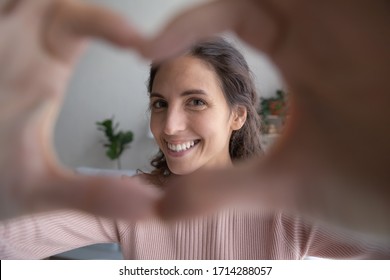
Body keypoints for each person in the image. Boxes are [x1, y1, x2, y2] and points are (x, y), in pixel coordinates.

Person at [0, 0, 389, 242]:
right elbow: (15, 241)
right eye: (159, 103)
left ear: (237, 115)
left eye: (196, 102)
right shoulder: (134, 198)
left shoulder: (291, 207)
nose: (168, 127)